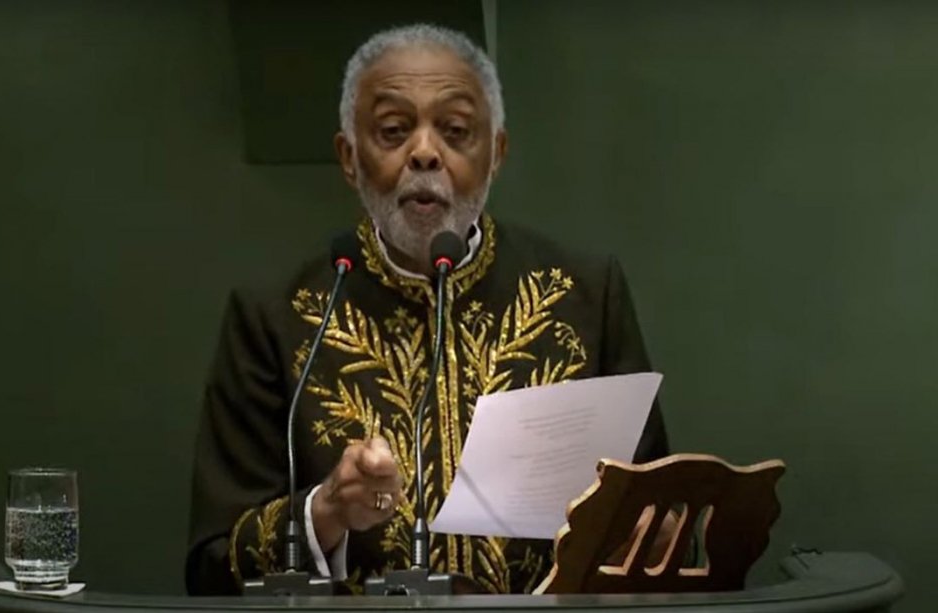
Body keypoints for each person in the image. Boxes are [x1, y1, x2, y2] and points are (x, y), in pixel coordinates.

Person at [186, 23, 668, 596]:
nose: (423, 153)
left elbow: (657, 521)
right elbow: (211, 569)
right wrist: (327, 511)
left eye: (456, 131)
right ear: (349, 158)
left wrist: (648, 533)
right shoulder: (277, 314)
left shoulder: (582, 293)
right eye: (393, 131)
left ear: (496, 153)